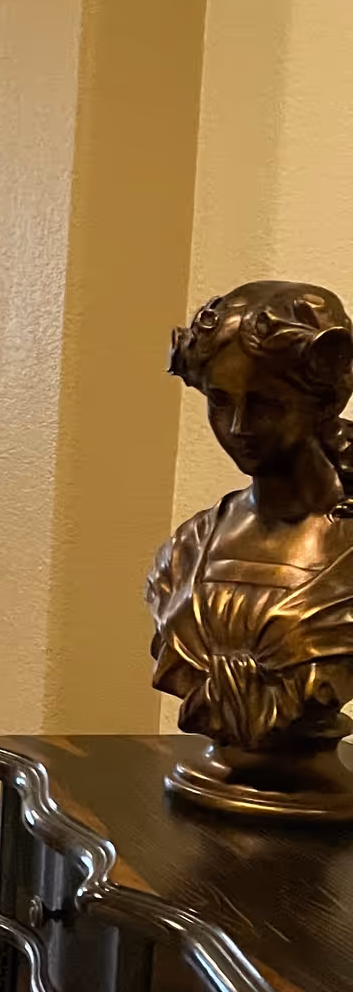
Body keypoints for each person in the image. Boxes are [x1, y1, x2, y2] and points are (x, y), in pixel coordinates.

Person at [149, 279, 353, 811]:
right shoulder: (188, 549)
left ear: (324, 402)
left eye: (265, 405)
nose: (237, 426)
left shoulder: (345, 552)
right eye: (219, 401)